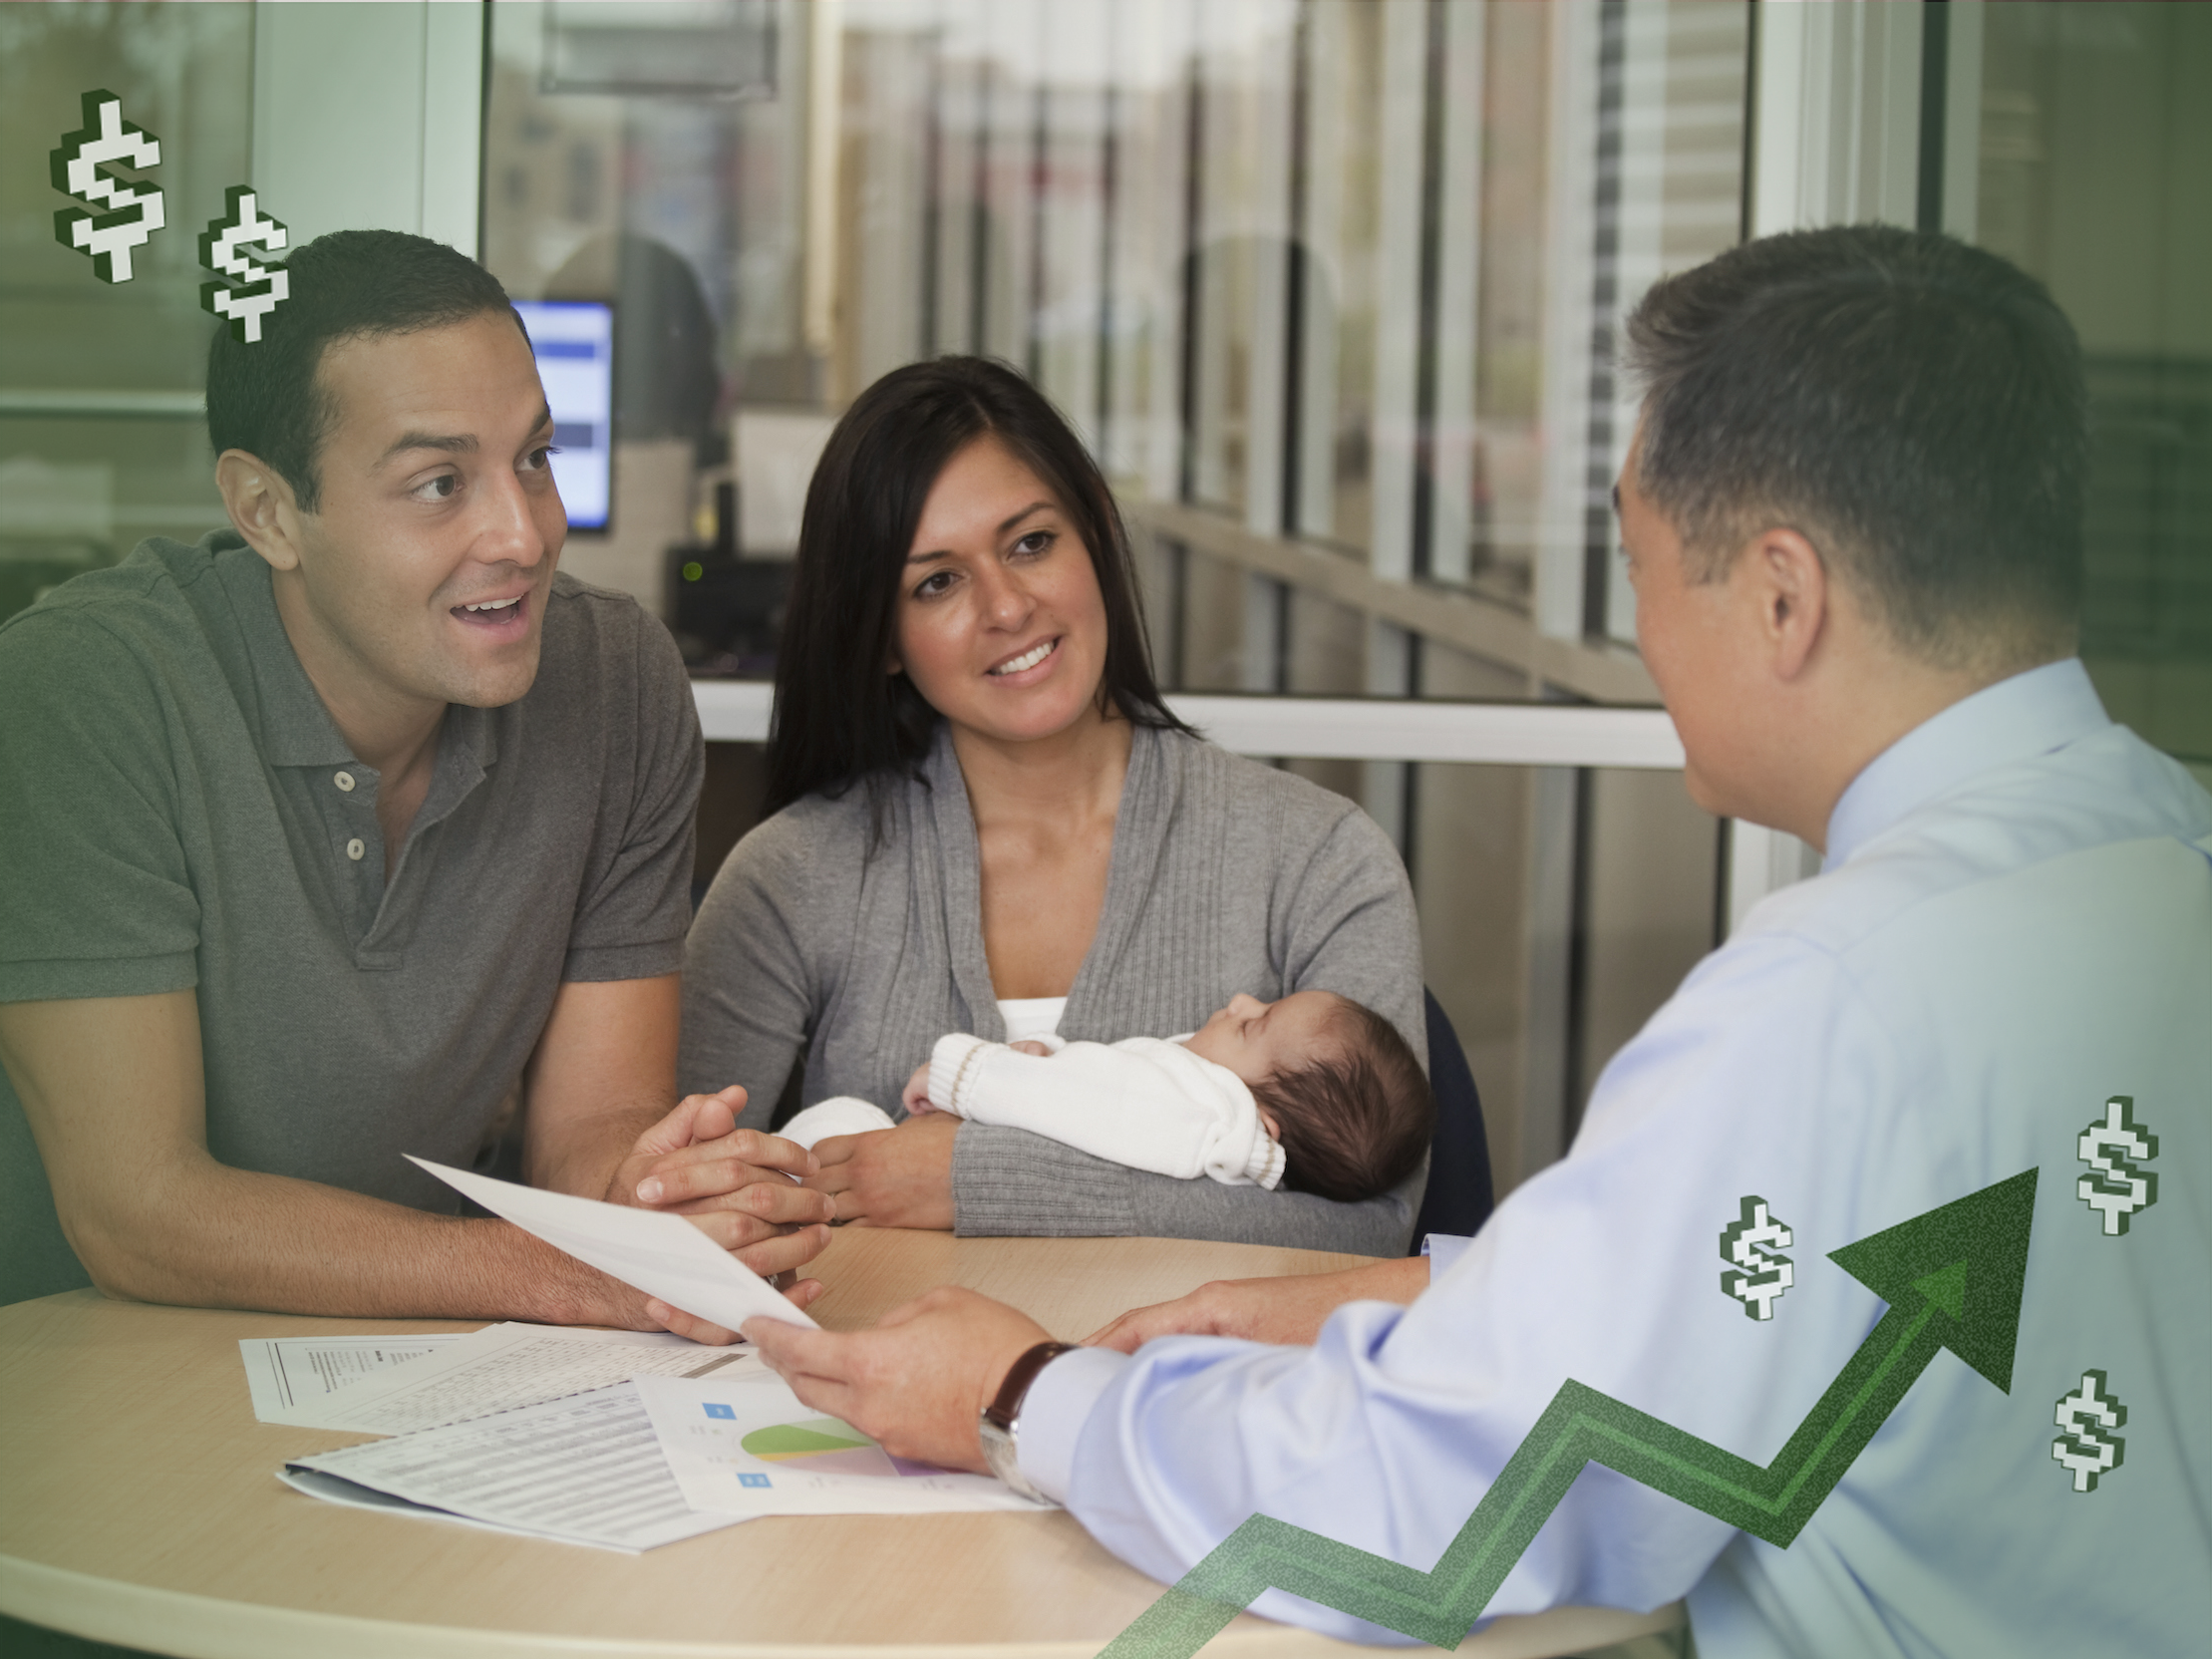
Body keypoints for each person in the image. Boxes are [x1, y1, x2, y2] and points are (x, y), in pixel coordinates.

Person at [724, 226, 2212, 1656]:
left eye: (1635, 568)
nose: (1634, 641)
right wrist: (1427, 1293)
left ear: (1778, 595)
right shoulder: (2162, 860)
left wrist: (1021, 1391)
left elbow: (1442, 1500)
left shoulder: (1821, 1011)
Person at [0, 230, 830, 1317]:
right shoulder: (90, 691)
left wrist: (659, 1198)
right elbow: (139, 1208)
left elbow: (588, 1128)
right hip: (85, 1376)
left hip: (414, 1361)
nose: (524, 534)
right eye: (440, 482)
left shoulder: (617, 679)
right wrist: (572, 1270)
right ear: (266, 513)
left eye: (534, 457)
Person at [675, 357, 1427, 1255]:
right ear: (878, 636)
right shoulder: (790, 878)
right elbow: (678, 1203)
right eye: (936, 582)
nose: (1007, 607)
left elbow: (1374, 1230)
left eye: (1031, 542)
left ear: (1098, 536)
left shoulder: (1319, 859)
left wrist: (964, 1179)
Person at [782, 990, 1434, 1202]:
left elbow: (1088, 1105)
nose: (1238, 1000)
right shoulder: (1204, 1106)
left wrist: (967, 1073)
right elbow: (1103, 1099)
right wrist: (1052, 1058)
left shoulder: (1207, 1110)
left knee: (841, 1124)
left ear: (1263, 1122)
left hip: (911, 1171)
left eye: (1252, 1024)